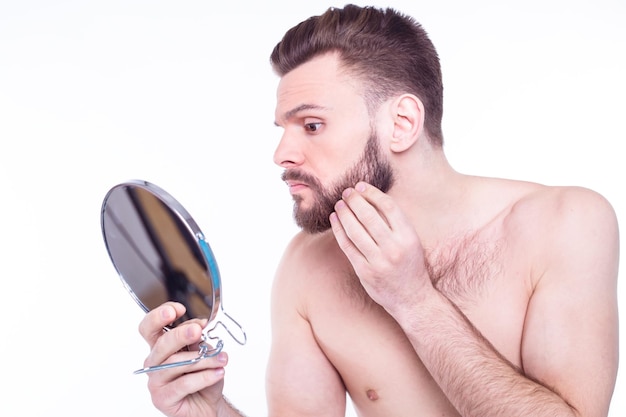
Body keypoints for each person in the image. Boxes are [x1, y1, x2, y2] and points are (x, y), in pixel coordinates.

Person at [138, 4, 619, 416]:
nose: (281, 153)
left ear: (403, 122)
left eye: (311, 124)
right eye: (283, 128)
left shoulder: (565, 223)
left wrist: (415, 300)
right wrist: (208, 409)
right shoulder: (307, 268)